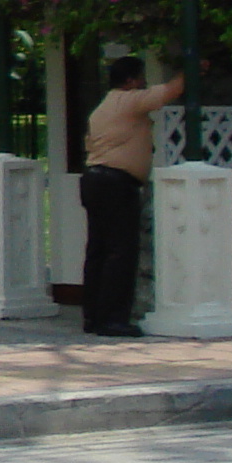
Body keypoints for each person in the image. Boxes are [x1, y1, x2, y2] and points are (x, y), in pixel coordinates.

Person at [80, 56, 185, 336]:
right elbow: (172, 91)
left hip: (94, 179)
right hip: (116, 183)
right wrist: (193, 67)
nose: (143, 83)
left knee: (98, 251)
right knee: (120, 252)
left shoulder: (102, 108)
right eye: (140, 78)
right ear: (130, 81)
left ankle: (93, 316)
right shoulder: (129, 101)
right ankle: (112, 318)